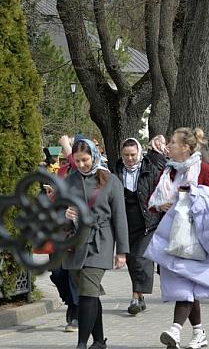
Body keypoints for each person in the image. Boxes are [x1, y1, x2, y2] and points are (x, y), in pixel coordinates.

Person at [146, 127, 209, 349]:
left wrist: (192, 201)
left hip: (196, 238)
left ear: (185, 147)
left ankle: (175, 329)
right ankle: (199, 333)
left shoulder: (204, 170)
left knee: (187, 285)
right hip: (174, 238)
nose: (168, 146)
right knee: (187, 286)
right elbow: (152, 201)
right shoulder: (168, 172)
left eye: (173, 142)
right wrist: (160, 205)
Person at [62, 139, 128, 349]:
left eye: (85, 160)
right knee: (90, 292)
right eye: (77, 160)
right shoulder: (69, 180)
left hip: (100, 242)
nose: (81, 164)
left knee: (86, 293)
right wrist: (65, 215)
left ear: (94, 156)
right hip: (75, 243)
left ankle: (81, 344)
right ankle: (99, 341)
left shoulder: (111, 181)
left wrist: (122, 252)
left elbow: (120, 217)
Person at [113, 138, 165, 316]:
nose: (129, 158)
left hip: (147, 221)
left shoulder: (150, 168)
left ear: (139, 153)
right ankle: (140, 296)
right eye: (126, 155)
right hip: (125, 222)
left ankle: (135, 296)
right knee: (130, 260)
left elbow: (162, 185)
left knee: (140, 258)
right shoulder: (116, 171)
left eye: (133, 155)